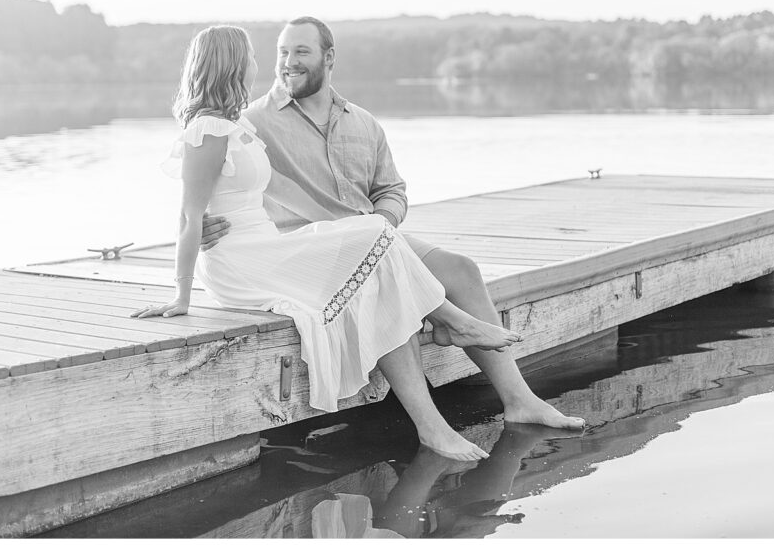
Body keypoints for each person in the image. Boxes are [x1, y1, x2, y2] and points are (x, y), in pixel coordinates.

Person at [130, 25, 523, 461]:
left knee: (377, 235)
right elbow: (189, 211)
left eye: (295, 51)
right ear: (233, 64)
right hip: (241, 260)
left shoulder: (238, 124)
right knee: (375, 239)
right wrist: (182, 292)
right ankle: (452, 328)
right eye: (261, 55)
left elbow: (306, 190)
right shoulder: (213, 126)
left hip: (268, 248)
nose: (268, 64)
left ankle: (454, 399)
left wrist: (357, 229)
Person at [200, 16, 585, 431]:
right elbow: (205, 169)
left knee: (462, 269)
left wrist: (382, 227)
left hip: (374, 239)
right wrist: (201, 223)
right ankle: (438, 386)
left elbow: (393, 189)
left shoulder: (363, 122)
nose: (288, 62)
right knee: (383, 287)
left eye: (301, 52)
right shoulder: (253, 120)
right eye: (282, 52)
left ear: (329, 58)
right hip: (305, 249)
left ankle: (520, 400)